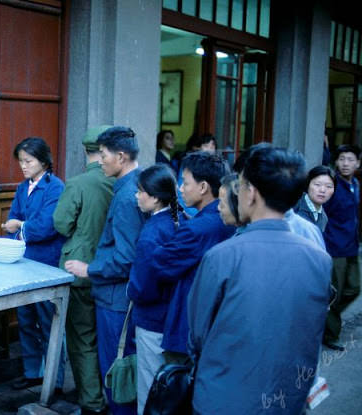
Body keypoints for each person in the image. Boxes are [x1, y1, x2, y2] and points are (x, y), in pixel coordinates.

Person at [188, 146, 331, 415]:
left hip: (225, 398)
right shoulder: (319, 258)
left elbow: (198, 334)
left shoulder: (222, 256)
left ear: (251, 193)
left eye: (240, 186)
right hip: (288, 398)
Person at [65, 126, 145, 415]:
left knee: (116, 374)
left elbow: (126, 258)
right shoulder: (134, 184)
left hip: (115, 299)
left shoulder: (125, 197)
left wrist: (90, 268)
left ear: (121, 156)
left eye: (104, 155)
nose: (100, 161)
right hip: (123, 296)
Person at [145, 151, 234, 364]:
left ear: (203, 187)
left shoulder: (197, 228)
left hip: (188, 325)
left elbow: (158, 262)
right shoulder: (225, 220)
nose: (180, 188)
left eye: (185, 182)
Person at [52, 125, 114, 415]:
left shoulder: (77, 183)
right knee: (108, 337)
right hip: (111, 269)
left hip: (79, 269)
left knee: (81, 339)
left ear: (85, 152)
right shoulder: (123, 182)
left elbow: (61, 224)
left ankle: (91, 402)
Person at [2, 137, 67, 393]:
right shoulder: (22, 187)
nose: (23, 166)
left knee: (49, 322)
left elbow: (46, 227)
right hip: (23, 261)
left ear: (43, 161)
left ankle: (55, 380)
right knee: (26, 319)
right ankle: (32, 373)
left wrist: (19, 227)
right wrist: (17, 227)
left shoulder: (55, 188)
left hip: (45, 263)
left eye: (28, 161)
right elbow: (12, 217)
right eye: (20, 161)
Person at [126, 164, 182, 414]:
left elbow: (143, 286)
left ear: (156, 197)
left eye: (141, 192)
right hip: (173, 317)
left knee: (149, 388)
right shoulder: (178, 221)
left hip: (152, 319)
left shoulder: (152, 232)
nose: (137, 196)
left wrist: (131, 290)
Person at [322, 144, 361, 351]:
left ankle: (326, 314)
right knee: (335, 293)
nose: (345, 164)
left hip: (352, 245)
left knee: (354, 288)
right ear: (336, 162)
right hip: (334, 246)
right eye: (342, 159)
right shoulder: (332, 185)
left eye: (350, 159)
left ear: (358, 163)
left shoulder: (355, 184)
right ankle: (330, 334)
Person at [294, 165, 336, 232]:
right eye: (317, 184)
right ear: (308, 184)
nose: (322, 190)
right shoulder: (293, 206)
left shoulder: (324, 217)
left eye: (328, 186)